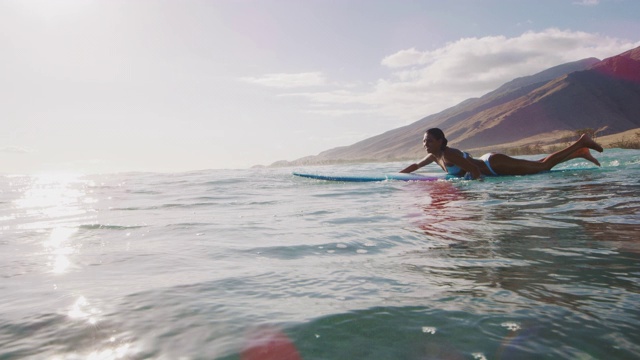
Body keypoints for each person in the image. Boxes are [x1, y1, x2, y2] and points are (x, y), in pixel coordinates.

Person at [400, 128, 603, 179]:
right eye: (423, 141)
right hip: (490, 162)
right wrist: (396, 177)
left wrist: (477, 192)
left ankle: (581, 142)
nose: (425, 144)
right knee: (537, 163)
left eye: (428, 141)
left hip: (493, 165)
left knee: (543, 167)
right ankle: (579, 153)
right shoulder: (434, 156)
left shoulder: (449, 154)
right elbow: (415, 166)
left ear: (440, 141)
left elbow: (473, 171)